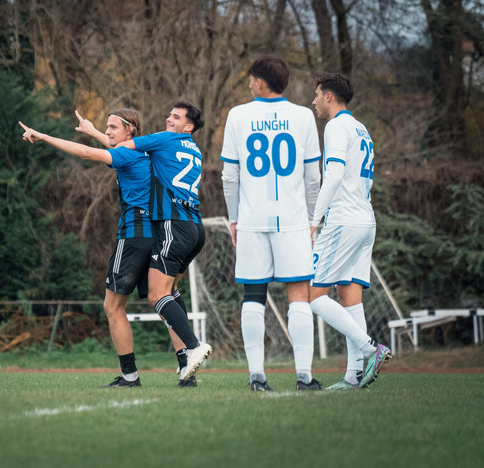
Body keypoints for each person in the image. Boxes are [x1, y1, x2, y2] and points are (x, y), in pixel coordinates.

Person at [19, 109, 195, 387]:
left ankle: (130, 376)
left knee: (113, 307)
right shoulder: (153, 153)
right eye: (107, 128)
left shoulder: (127, 154)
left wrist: (43, 136)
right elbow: (121, 148)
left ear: (131, 130)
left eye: (113, 127)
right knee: (166, 300)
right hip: (159, 233)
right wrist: (93, 132)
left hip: (134, 234)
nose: (109, 132)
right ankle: (188, 370)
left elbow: (87, 154)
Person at [221, 55, 323, 391]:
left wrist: (234, 218)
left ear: (261, 82)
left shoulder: (237, 115)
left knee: (253, 295)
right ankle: (304, 377)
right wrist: (313, 219)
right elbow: (313, 177)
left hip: (251, 219)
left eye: (251, 79)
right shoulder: (303, 115)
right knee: (298, 296)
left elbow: (229, 176)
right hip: (293, 221)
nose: (248, 84)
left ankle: (256, 378)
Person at [116, 101, 212, 381]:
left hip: (175, 225)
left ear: (189, 126)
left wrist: (95, 136)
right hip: (195, 228)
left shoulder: (166, 139)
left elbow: (122, 150)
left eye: (176, 117)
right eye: (169, 114)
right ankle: (186, 364)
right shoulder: (194, 148)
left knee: (157, 294)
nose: (168, 119)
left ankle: (194, 347)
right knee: (170, 291)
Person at [309, 72, 391, 389]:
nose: (314, 100)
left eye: (317, 94)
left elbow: (334, 176)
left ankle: (373, 349)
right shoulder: (361, 128)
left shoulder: (336, 126)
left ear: (329, 96)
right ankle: (353, 377)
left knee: (313, 295)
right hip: (365, 220)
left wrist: (315, 220)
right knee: (349, 297)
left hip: (343, 220)